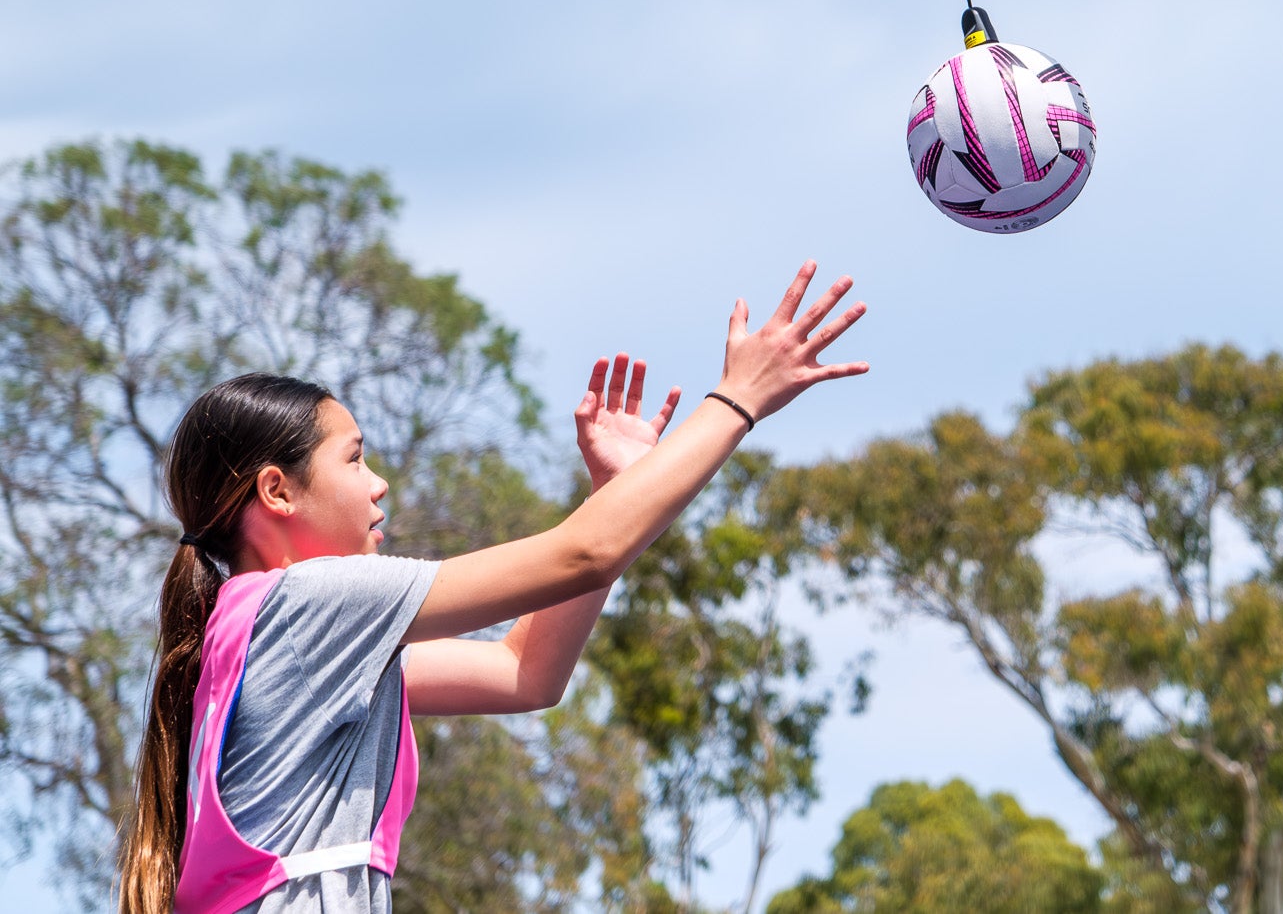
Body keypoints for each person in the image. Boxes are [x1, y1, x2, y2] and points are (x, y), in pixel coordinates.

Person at [116, 263, 867, 914]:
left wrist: (614, 489)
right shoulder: (308, 602)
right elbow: (588, 552)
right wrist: (738, 400)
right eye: (354, 459)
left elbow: (526, 672)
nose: (379, 484)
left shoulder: (266, 633)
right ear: (277, 490)